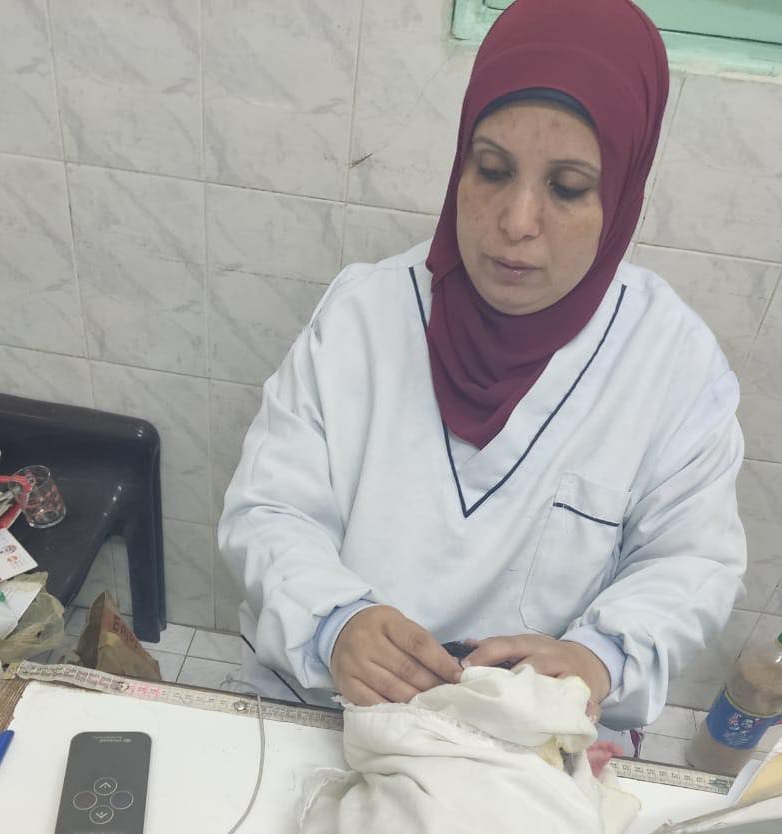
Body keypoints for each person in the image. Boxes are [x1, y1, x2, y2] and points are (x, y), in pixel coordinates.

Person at [218, 0, 746, 738]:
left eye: (567, 187)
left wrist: (599, 658)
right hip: (333, 706)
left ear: (622, 191)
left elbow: (690, 564)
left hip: (530, 738)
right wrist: (334, 624)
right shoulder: (366, 314)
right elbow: (270, 510)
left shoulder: (673, 365)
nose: (516, 221)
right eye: (491, 170)